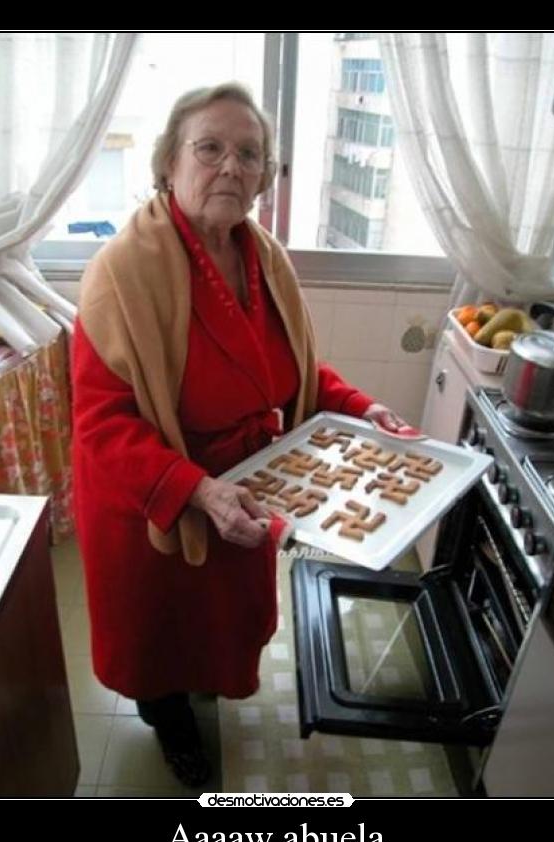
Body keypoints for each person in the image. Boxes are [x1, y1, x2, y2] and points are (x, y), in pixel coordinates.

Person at [71, 82, 418, 788]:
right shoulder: (121, 275)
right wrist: (195, 489)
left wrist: (362, 408)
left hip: (250, 484)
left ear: (265, 176)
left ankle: (197, 691)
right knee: (161, 640)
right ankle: (169, 725)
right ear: (168, 162)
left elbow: (287, 369)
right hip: (159, 503)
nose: (231, 166)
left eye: (250, 154)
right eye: (210, 148)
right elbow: (101, 422)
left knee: (220, 627)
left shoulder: (263, 256)